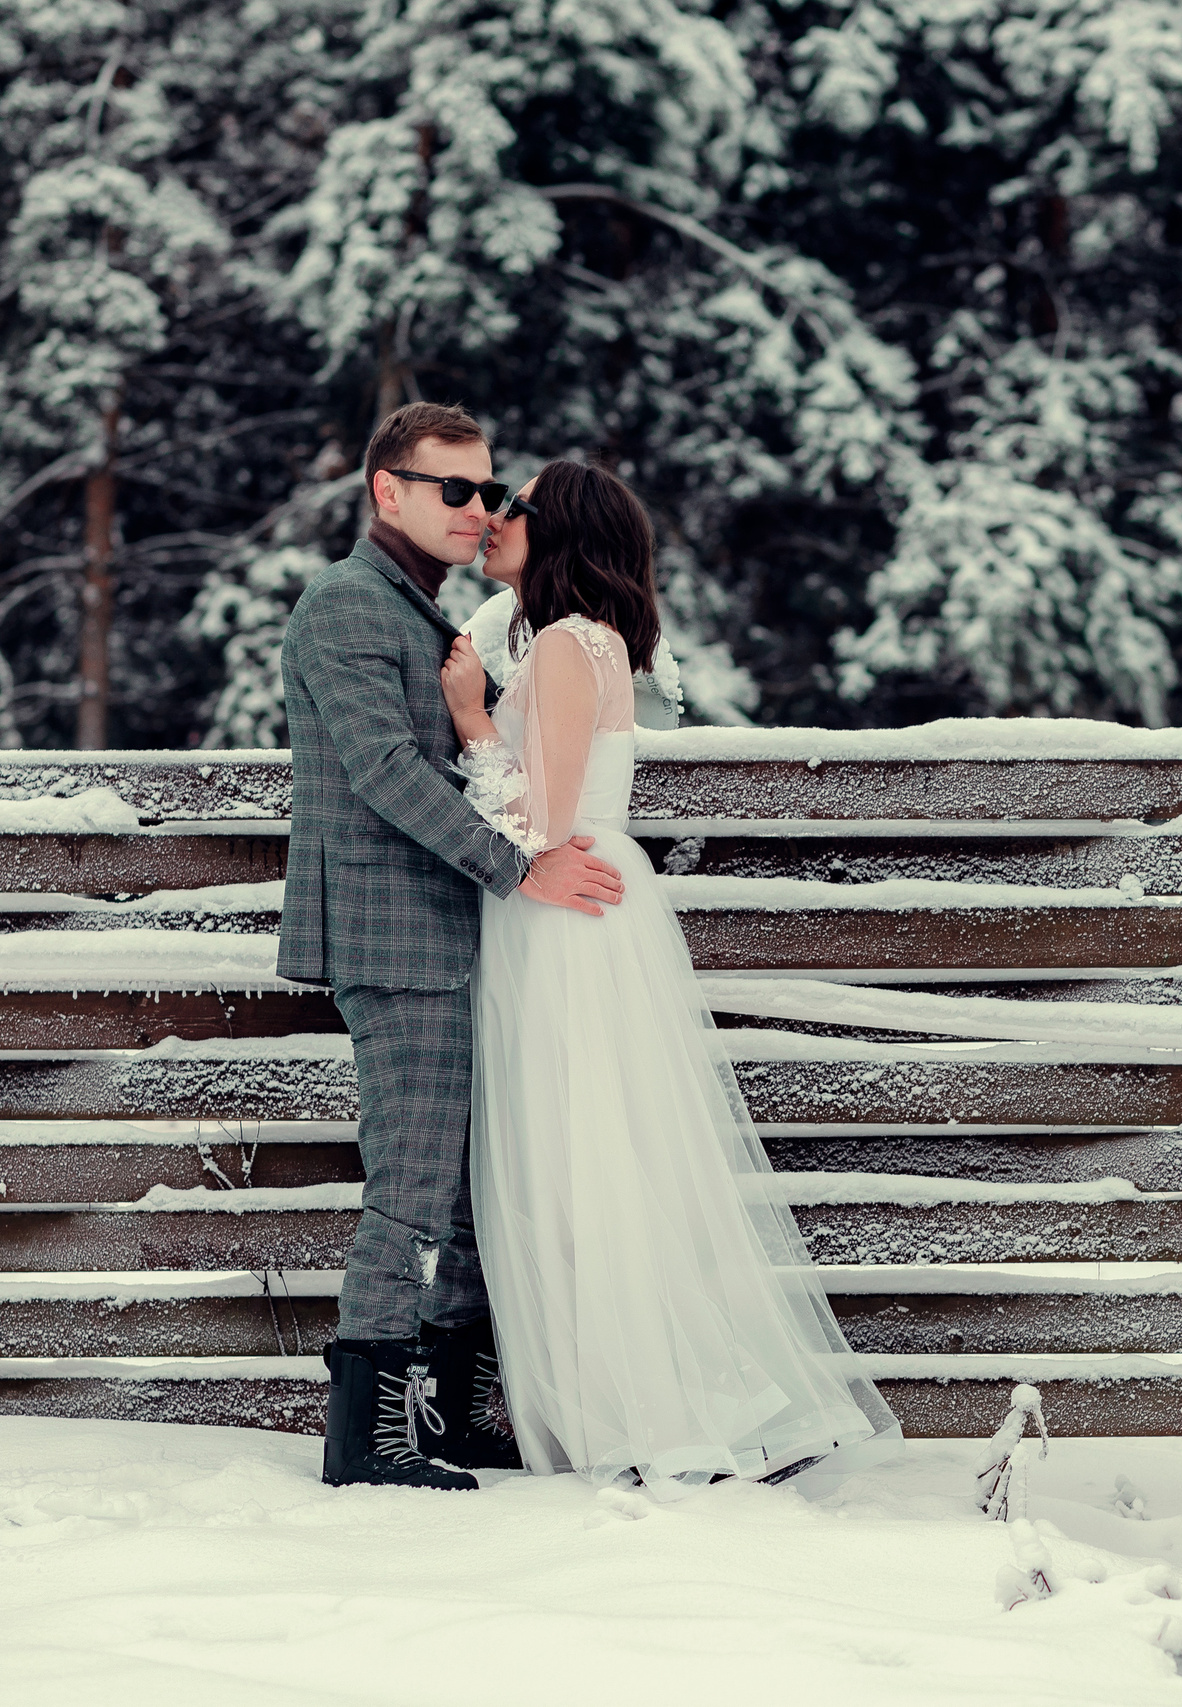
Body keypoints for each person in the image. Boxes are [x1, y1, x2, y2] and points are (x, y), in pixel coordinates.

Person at [439, 459, 899, 1495]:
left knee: (583, 1152)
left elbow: (539, 825)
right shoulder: (577, 642)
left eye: (515, 508)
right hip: (570, 906)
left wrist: (471, 717)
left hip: (563, 908)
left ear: (556, 533)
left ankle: (643, 1407)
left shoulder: (564, 644)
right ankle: (632, 1397)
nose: (494, 521)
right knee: (598, 1150)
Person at [278, 403, 626, 1491]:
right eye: (455, 490)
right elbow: (383, 774)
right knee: (416, 1181)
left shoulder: (431, 613)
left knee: (474, 1185)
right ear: (388, 490)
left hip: (462, 933)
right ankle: (367, 1433)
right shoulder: (345, 606)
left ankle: (457, 1406)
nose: (479, 510)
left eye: (489, 490)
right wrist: (520, 867)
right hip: (391, 933)